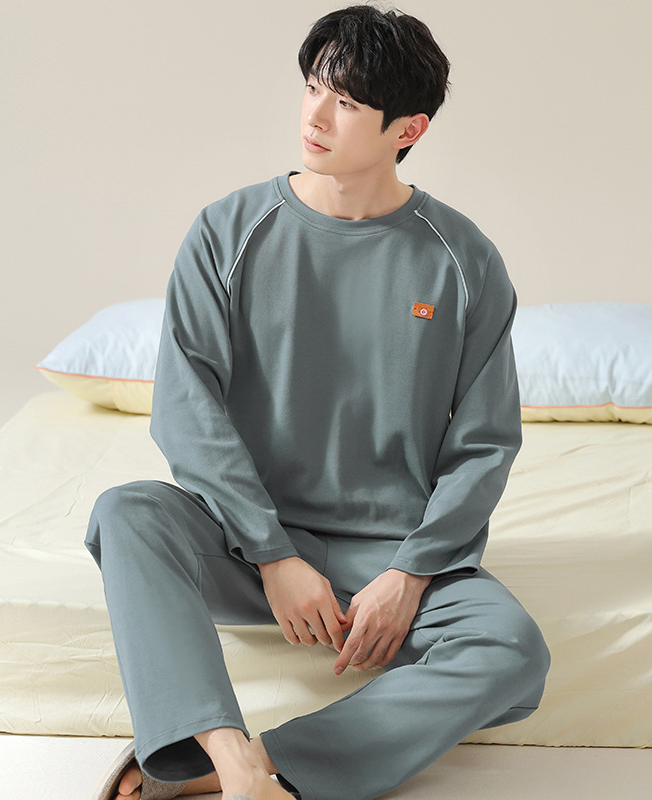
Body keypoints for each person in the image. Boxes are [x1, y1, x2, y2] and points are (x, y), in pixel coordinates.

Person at [86, 5, 551, 800]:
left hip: (391, 552)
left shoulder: (463, 260)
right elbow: (187, 409)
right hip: (245, 542)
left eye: (347, 103)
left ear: (409, 129)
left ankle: (257, 766)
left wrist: (411, 573)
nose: (315, 116)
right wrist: (271, 554)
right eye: (312, 88)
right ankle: (229, 759)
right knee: (128, 512)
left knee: (512, 649)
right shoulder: (228, 232)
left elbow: (483, 445)